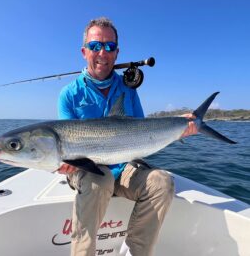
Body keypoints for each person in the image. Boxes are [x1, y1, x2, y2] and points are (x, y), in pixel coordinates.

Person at [57, 17, 197, 256]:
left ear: (117, 52)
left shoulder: (128, 90)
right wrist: (64, 162)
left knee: (162, 182)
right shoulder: (69, 94)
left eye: (109, 47)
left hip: (124, 169)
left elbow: (141, 131)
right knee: (99, 179)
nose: (102, 52)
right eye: (95, 46)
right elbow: (64, 144)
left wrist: (178, 127)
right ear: (84, 51)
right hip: (86, 171)